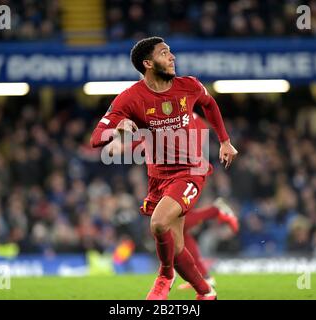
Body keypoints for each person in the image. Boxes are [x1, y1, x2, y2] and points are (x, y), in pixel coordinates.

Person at [90, 36, 238, 300]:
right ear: (148, 63)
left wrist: (225, 141)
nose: (172, 57)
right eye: (164, 53)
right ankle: (206, 292)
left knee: (158, 224)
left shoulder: (189, 85)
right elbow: (96, 138)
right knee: (178, 244)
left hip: (191, 170)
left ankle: (165, 276)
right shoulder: (130, 98)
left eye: (171, 52)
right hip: (159, 178)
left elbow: (209, 104)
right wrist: (117, 128)